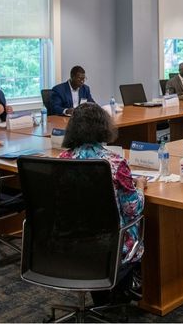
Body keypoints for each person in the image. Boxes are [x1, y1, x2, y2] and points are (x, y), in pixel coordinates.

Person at [59, 102, 146, 303]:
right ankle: (123, 289)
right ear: (104, 127)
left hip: (70, 240)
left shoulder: (63, 159)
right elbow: (133, 209)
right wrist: (140, 186)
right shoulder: (115, 162)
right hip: (112, 244)